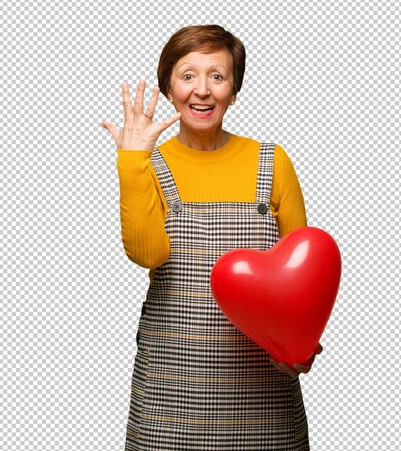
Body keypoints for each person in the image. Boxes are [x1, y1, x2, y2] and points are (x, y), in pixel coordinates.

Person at [101, 24, 323, 451]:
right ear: (169, 88)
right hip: (171, 388)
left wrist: (300, 345)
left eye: (217, 76)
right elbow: (147, 254)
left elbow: (304, 273)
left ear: (234, 91)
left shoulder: (271, 162)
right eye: (188, 76)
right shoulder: (149, 164)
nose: (202, 90)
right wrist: (132, 161)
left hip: (263, 391)